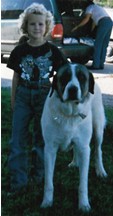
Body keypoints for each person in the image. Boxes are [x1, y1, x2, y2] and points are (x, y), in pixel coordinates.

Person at [7, 3, 67, 195]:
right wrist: (13, 99)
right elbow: (16, 76)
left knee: (42, 139)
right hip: (23, 95)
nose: (36, 28)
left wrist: (60, 100)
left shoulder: (54, 51)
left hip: (45, 96)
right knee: (18, 139)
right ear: (26, 26)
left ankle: (40, 177)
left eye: (41, 24)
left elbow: (63, 75)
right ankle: (18, 182)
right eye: (32, 24)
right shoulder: (19, 51)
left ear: (47, 26)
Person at [71, 0, 113, 70]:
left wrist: (77, 26)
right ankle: (101, 65)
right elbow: (94, 22)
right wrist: (91, 32)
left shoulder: (89, 8)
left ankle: (95, 65)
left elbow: (86, 19)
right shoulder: (97, 7)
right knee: (104, 45)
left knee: (97, 44)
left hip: (103, 23)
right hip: (109, 22)